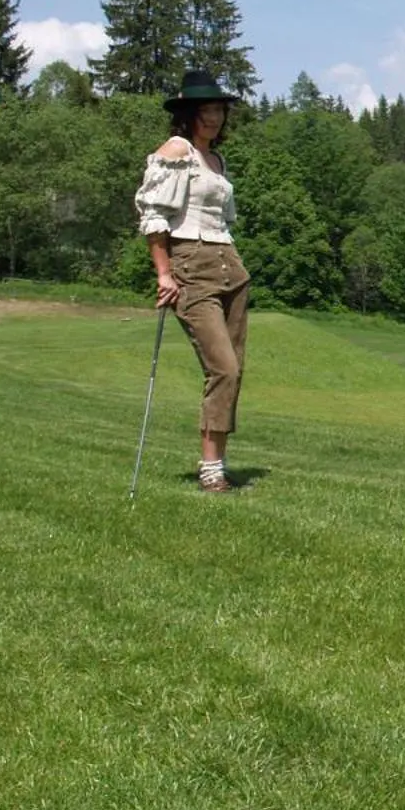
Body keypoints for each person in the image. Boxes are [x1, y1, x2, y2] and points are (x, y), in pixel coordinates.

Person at [134, 69, 250, 493]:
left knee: (235, 371)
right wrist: (164, 273)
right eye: (205, 111)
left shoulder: (216, 161)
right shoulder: (176, 151)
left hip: (229, 265)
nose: (214, 118)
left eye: (218, 110)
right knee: (222, 366)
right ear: (187, 114)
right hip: (191, 264)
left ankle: (218, 464)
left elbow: (224, 218)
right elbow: (154, 216)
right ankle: (210, 473)